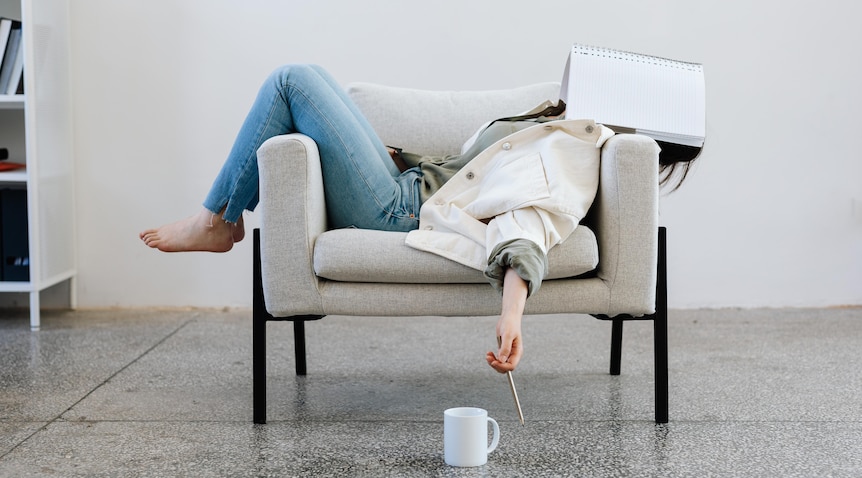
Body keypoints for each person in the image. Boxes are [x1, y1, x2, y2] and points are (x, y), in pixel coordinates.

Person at [141, 64, 694, 375]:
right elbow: (467, 174)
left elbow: (530, 221)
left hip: (397, 210)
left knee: (292, 80)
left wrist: (512, 311)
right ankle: (219, 217)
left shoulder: (581, 149)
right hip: (400, 184)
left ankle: (217, 219)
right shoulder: (566, 125)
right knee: (307, 79)